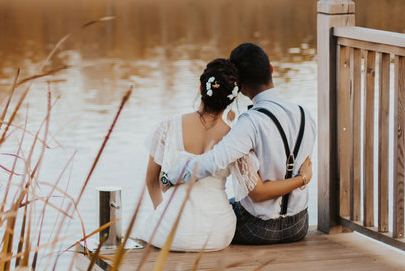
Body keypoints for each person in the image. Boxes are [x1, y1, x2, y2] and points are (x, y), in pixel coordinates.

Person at [134, 58, 312, 251]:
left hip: (169, 232)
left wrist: (162, 214)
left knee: (140, 227)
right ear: (234, 97)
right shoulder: (235, 136)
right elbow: (256, 190)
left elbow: (152, 181)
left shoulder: (168, 126)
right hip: (218, 235)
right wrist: (302, 178)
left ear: (201, 87)